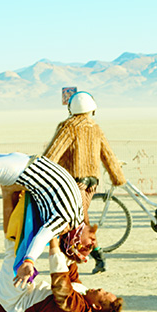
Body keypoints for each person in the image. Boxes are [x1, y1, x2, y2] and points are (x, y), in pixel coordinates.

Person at [43, 90, 127, 272]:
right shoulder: (95, 127)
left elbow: (52, 154)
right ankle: (84, 258)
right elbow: (108, 155)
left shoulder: (69, 126)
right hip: (92, 182)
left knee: (76, 222)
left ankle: (94, 257)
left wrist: (38, 172)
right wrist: (117, 177)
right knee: (81, 220)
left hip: (74, 182)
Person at [0, 239, 123, 312]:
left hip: (9, 308)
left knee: (14, 253)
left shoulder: (75, 309)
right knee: (19, 247)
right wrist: (73, 249)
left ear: (97, 307)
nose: (100, 289)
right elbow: (71, 273)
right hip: (17, 296)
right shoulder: (84, 293)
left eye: (104, 293)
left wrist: (53, 239)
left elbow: (61, 281)